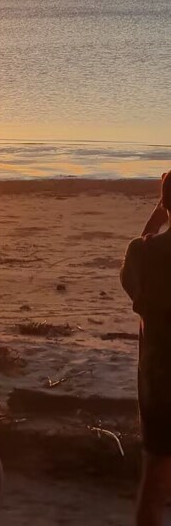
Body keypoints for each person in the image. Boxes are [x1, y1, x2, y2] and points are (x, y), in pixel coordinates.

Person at [121, 171, 171, 526]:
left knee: (154, 487)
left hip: (160, 386)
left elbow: (136, 261)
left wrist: (159, 212)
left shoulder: (143, 254)